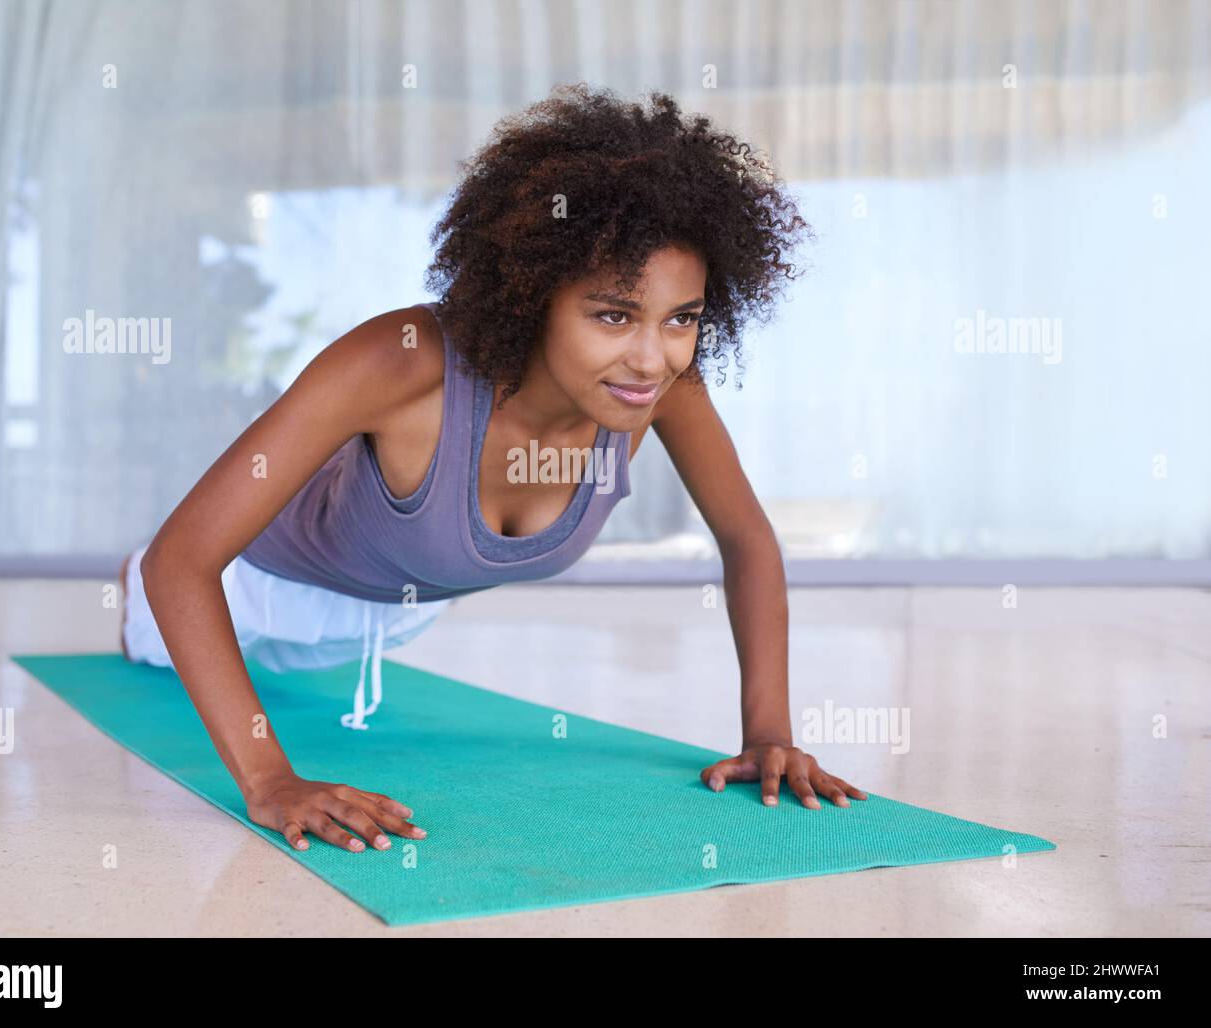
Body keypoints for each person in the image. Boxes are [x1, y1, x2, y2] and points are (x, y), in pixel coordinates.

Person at [122, 83, 868, 857]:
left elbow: (747, 536)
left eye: (681, 318)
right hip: (255, 591)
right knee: (142, 629)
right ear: (532, 295)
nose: (653, 357)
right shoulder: (400, 363)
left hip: (402, 608)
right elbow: (183, 562)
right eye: (613, 314)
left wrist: (770, 732)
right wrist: (269, 780)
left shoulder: (658, 391)